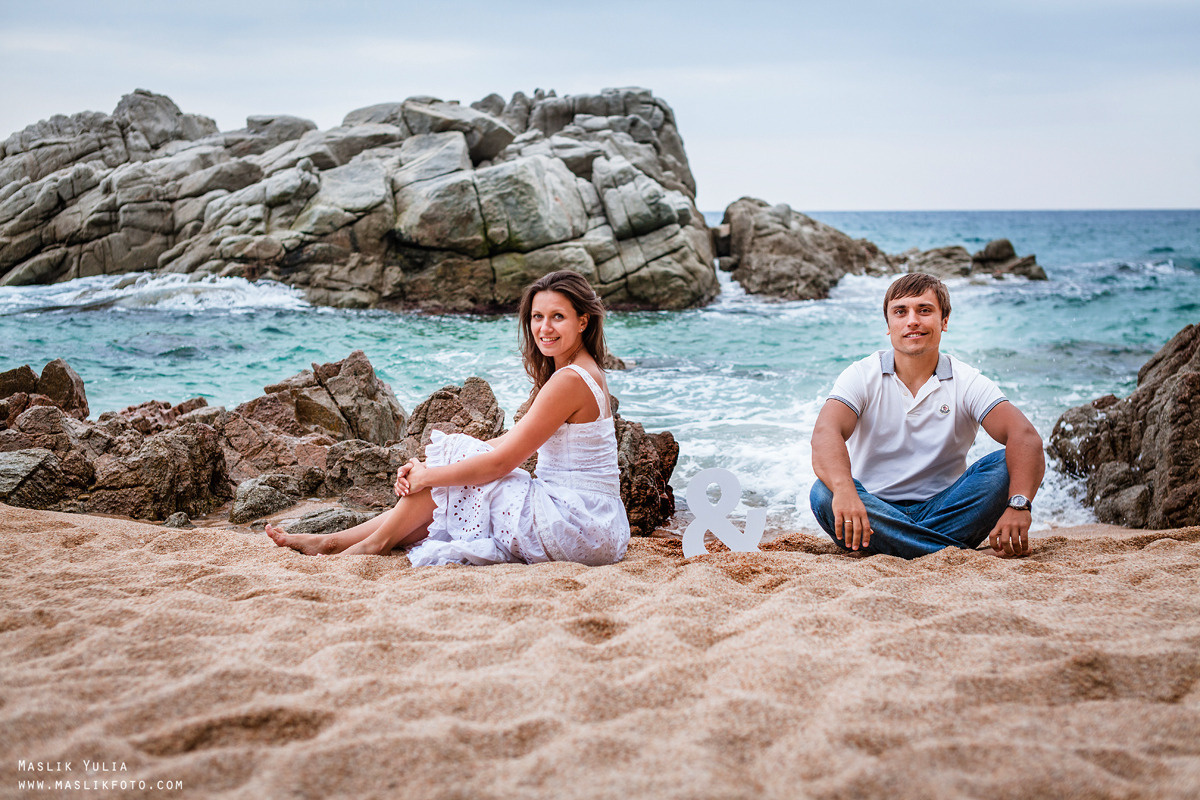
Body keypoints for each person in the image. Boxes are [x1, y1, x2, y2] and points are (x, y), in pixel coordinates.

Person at [266, 270, 631, 566]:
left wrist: (430, 474)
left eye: (558, 317)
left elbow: (504, 461)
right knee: (446, 492)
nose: (544, 328)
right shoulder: (582, 370)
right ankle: (336, 541)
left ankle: (367, 545)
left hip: (576, 523)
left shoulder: (568, 380)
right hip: (596, 521)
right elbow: (506, 442)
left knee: (452, 472)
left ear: (583, 321)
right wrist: (433, 467)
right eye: (537, 317)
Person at [809, 273, 1045, 559]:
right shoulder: (861, 374)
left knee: (1004, 464)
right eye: (900, 312)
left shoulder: (966, 380)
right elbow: (825, 433)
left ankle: (900, 544)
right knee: (824, 493)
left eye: (924, 310)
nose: (912, 321)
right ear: (889, 325)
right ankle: (948, 551)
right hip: (872, 510)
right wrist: (845, 491)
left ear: (944, 321)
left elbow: (1025, 436)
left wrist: (1019, 506)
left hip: (948, 509)